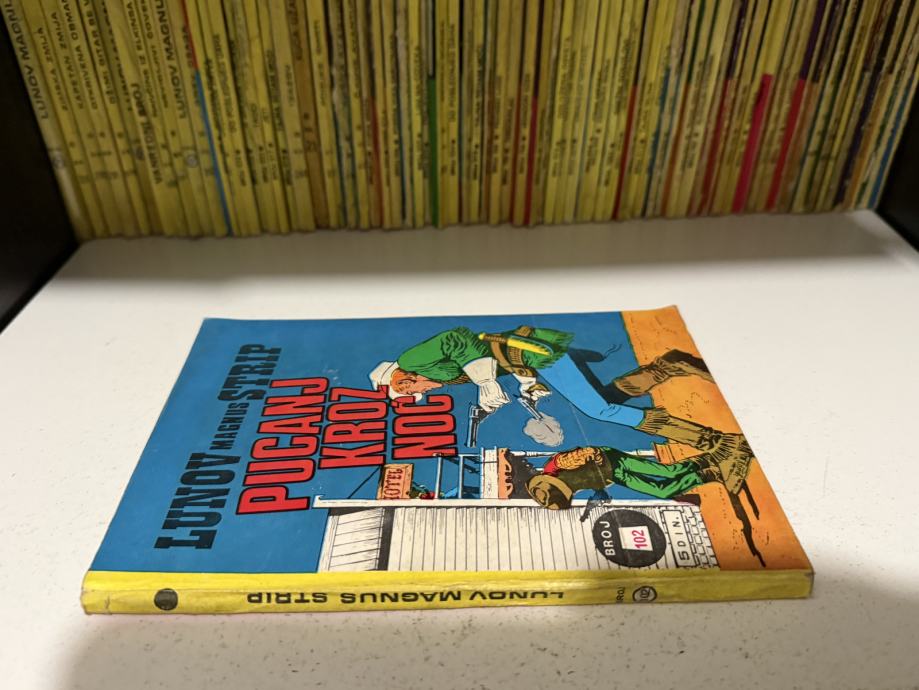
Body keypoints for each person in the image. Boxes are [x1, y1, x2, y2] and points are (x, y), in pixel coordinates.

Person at [369, 325, 748, 460]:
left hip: (539, 355)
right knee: (605, 400)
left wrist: (485, 381)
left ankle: (713, 441)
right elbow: (495, 357)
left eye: (411, 390)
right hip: (530, 362)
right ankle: (668, 366)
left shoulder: (412, 359)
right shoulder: (437, 375)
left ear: (403, 380)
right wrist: (526, 386)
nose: (421, 391)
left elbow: (457, 337)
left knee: (600, 411)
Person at [523, 446, 735, 509]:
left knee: (668, 472)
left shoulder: (555, 465)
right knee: (661, 491)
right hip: (613, 475)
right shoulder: (564, 488)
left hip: (614, 460)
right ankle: (707, 474)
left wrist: (596, 457)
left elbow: (585, 453)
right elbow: (586, 480)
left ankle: (707, 459)